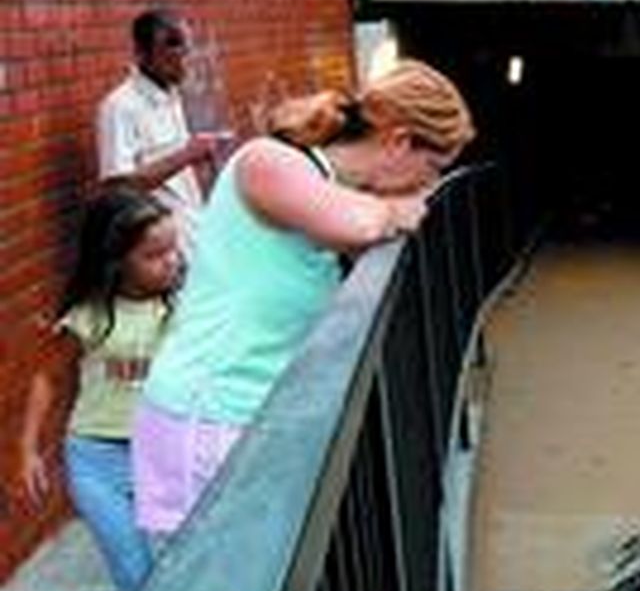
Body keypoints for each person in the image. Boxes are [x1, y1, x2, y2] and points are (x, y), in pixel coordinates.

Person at [132, 59, 475, 538]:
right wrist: (399, 209)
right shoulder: (268, 162)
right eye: (433, 168)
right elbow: (357, 225)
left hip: (251, 417)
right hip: (206, 416)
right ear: (399, 142)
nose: (429, 187)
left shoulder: (330, 188)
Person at [17, 189, 183, 591]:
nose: (171, 261)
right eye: (154, 255)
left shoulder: (185, 307)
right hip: (97, 461)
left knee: (178, 568)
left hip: (165, 452)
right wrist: (28, 449)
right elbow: (47, 377)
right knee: (134, 573)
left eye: (173, 250)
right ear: (117, 260)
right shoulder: (87, 315)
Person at [96, 8, 228, 252]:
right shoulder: (119, 106)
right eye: (171, 44)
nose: (182, 55)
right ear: (141, 54)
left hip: (194, 237)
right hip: (160, 251)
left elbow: (171, 175)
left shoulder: (172, 95)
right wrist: (186, 155)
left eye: (185, 45)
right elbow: (116, 189)